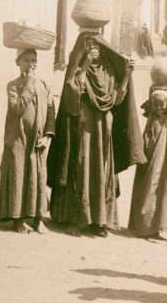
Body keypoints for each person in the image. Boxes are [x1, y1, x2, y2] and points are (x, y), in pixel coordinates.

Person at [47, 31, 144, 237]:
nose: (94, 50)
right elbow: (73, 92)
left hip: (102, 132)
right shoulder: (77, 71)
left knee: (101, 171)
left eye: (96, 46)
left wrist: (126, 75)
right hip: (83, 129)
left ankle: (99, 221)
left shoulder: (108, 71)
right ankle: (76, 218)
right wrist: (83, 65)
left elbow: (117, 99)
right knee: (82, 168)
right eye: (89, 46)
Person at [0, 48, 56, 234]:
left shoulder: (44, 85)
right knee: (18, 175)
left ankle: (38, 219)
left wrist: (47, 136)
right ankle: (18, 219)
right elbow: (17, 109)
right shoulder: (13, 86)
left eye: (34, 60)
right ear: (18, 63)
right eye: (27, 60)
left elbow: (51, 111)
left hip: (37, 140)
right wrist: (28, 84)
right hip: (18, 138)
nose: (31, 64)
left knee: (38, 177)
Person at [128, 55, 167, 241]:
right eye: (156, 104)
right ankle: (146, 225)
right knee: (150, 177)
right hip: (154, 139)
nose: (159, 107)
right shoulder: (152, 121)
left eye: (163, 104)